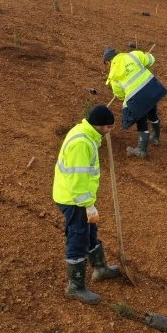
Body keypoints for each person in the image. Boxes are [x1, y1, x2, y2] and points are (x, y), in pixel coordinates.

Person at [53, 105, 122, 305]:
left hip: (82, 198)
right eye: (108, 127)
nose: (110, 131)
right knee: (78, 236)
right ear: (99, 125)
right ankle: (75, 286)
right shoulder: (82, 143)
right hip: (73, 200)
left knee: (91, 230)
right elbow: (77, 180)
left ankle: (100, 268)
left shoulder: (87, 134)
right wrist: (87, 204)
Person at [102, 47, 167, 158]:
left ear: (109, 61)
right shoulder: (133, 55)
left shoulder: (113, 74)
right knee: (152, 113)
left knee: (141, 121)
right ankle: (155, 138)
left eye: (107, 63)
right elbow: (151, 60)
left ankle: (141, 150)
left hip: (137, 97)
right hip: (151, 88)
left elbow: (119, 95)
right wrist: (146, 55)